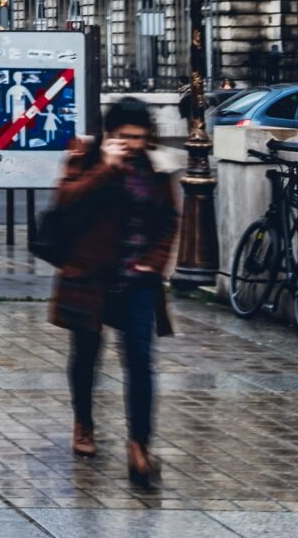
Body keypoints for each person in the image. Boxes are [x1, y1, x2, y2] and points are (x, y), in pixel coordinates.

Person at [49, 97, 177, 490]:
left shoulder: (156, 169)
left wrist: (154, 261)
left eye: (138, 137)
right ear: (110, 134)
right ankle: (83, 423)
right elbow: (65, 201)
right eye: (124, 137)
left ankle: (139, 446)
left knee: (140, 359)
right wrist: (107, 167)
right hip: (90, 275)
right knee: (86, 353)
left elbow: (168, 221)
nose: (132, 144)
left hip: (136, 281)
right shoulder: (86, 157)